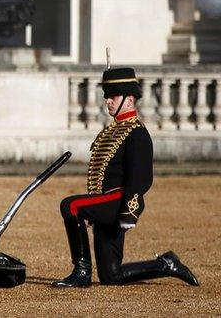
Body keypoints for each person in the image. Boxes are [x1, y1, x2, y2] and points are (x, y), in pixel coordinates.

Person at [52, 66, 198, 288]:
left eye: (113, 96)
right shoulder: (113, 131)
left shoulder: (137, 133)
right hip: (104, 202)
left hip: (117, 201)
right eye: (107, 96)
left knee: (70, 206)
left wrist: (129, 212)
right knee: (111, 276)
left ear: (129, 99)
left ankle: (81, 271)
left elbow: (141, 179)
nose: (108, 101)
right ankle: (166, 264)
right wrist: (94, 206)